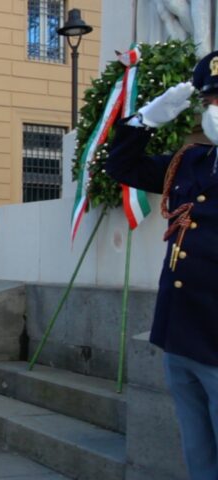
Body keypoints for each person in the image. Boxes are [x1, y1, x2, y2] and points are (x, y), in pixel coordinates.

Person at [104, 51, 218, 480]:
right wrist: (145, 122)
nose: (214, 112)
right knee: (198, 450)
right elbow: (122, 166)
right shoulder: (192, 162)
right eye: (210, 103)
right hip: (181, 336)